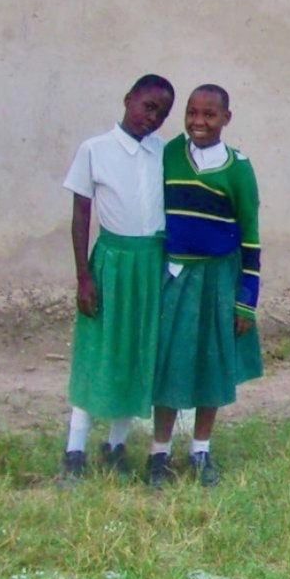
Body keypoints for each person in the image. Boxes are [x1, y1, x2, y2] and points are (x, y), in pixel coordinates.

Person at [61, 74, 175, 481]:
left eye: (162, 113)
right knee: (99, 350)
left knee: (138, 350)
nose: (153, 117)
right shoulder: (95, 150)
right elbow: (80, 216)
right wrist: (83, 277)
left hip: (150, 263)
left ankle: (116, 443)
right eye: (148, 106)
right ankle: (74, 450)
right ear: (128, 99)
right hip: (111, 262)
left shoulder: (165, 153)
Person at [149, 84, 263, 488]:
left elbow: (250, 235)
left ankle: (201, 451)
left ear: (226, 119)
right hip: (175, 276)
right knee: (168, 362)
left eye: (209, 115)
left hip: (219, 278)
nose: (199, 122)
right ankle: (158, 454)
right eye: (192, 113)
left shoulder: (237, 169)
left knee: (212, 363)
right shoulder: (166, 155)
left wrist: (246, 299)